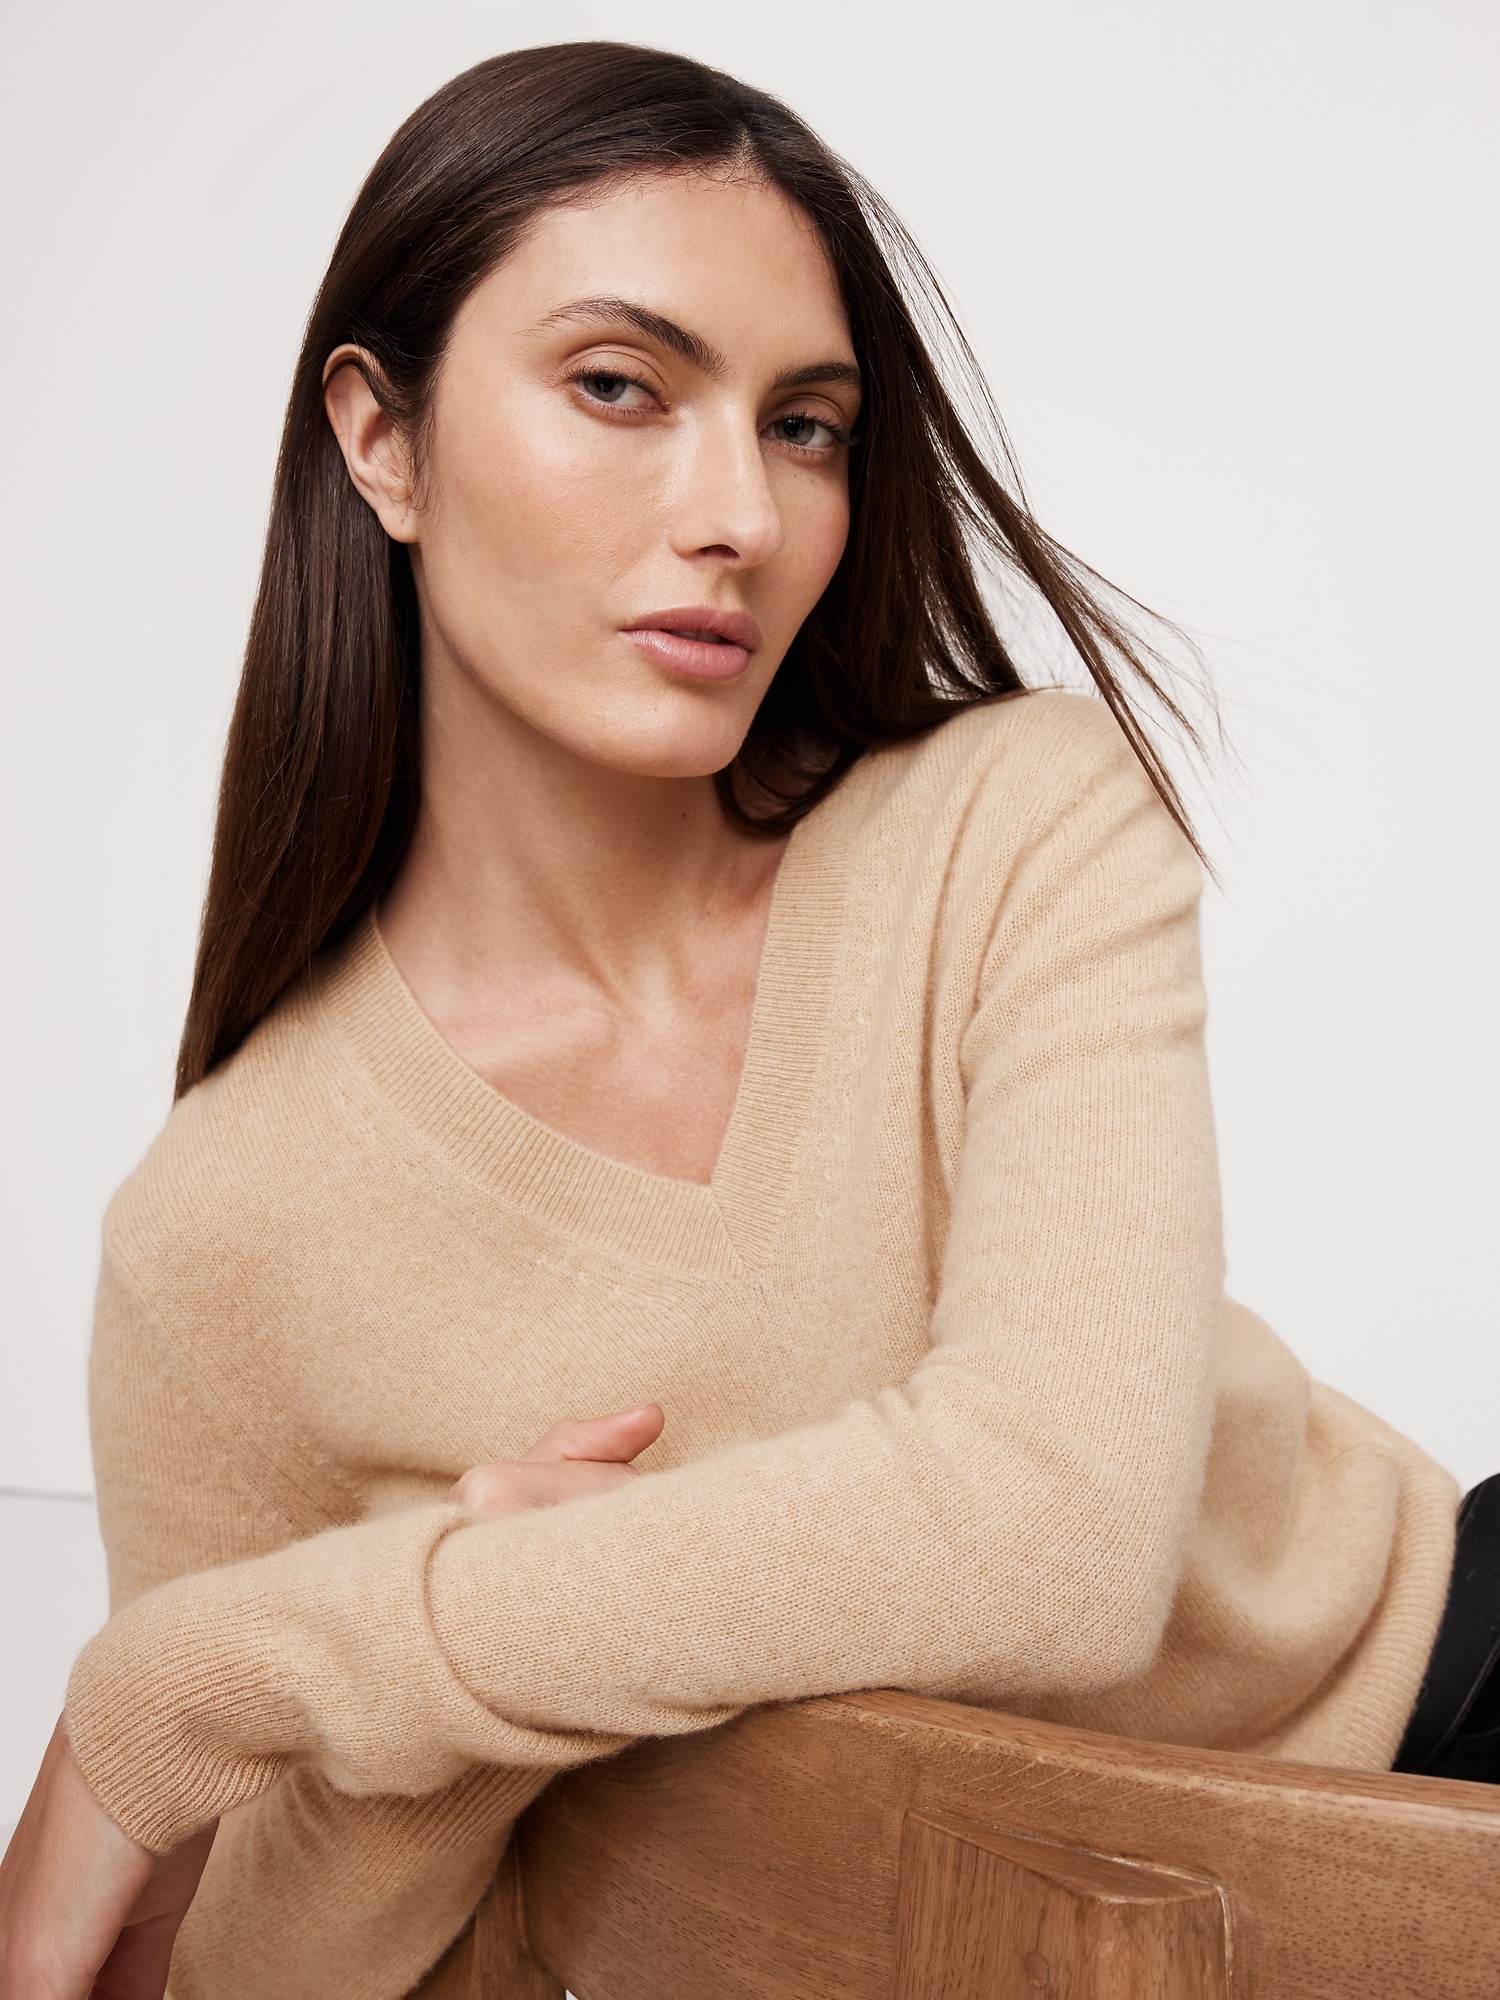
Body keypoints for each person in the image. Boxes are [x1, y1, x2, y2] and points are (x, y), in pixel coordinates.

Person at [0, 39, 1491, 2000]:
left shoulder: (1013, 821)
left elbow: (1060, 1538)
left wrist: (218, 1671)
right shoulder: (219, 1235)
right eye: (621, 386)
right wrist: (478, 1688)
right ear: (381, 439)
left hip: (1443, 1736)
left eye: (804, 426)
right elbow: (265, 1970)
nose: (741, 515)